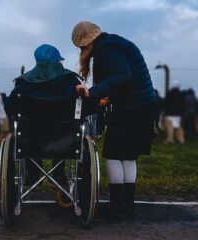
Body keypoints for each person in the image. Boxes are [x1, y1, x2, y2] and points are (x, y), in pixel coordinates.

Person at [72, 21, 155, 220]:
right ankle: (127, 207)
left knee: (113, 154)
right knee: (127, 156)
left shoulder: (107, 49)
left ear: (87, 42)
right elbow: (119, 80)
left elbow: (122, 75)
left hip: (131, 108)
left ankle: (117, 207)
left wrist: (91, 93)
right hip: (141, 107)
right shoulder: (113, 43)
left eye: (81, 47)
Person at [5, 44, 94, 186]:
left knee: (28, 131)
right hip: (64, 139)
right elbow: (87, 108)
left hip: (31, 139)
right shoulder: (71, 81)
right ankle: (58, 176)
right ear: (57, 61)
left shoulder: (23, 82)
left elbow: (9, 108)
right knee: (63, 130)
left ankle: (33, 175)